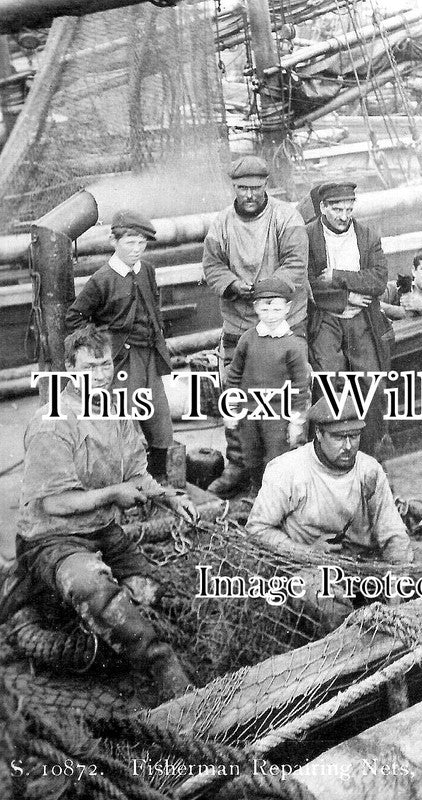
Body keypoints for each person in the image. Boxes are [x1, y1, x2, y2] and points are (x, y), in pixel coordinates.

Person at [6, 326, 198, 701]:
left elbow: (138, 475)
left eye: (105, 364)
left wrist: (169, 498)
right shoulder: (53, 422)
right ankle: (165, 672)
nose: (100, 375)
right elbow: (54, 504)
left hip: (103, 532)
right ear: (68, 368)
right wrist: (114, 493)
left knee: (153, 594)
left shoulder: (117, 411)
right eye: (90, 367)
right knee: (96, 590)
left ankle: (83, 620)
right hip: (51, 539)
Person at [203, 155, 309, 496]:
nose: (249, 194)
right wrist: (233, 285)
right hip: (239, 323)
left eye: (256, 188)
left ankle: (286, 468)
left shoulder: (285, 216)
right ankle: (239, 465)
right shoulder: (221, 223)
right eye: (242, 188)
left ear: (266, 186)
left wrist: (265, 292)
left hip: (283, 322)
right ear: (233, 188)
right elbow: (212, 265)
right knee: (237, 396)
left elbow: (295, 263)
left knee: (288, 397)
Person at [65, 209, 174, 483]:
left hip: (150, 354)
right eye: (129, 243)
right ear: (114, 242)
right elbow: (75, 317)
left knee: (158, 416)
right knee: (125, 418)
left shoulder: (147, 270)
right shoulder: (102, 279)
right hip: (123, 360)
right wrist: (100, 349)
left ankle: (158, 477)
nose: (137, 249)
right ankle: (126, 479)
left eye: (141, 243)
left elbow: (154, 306)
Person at [247, 396, 413, 564]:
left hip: (365, 563)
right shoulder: (287, 470)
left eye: (354, 436)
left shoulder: (370, 470)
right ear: (319, 433)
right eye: (339, 437)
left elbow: (393, 532)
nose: (348, 446)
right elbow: (257, 529)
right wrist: (307, 552)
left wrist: (399, 573)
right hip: (307, 566)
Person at [306, 181, 393, 459]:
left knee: (372, 385)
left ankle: (370, 454)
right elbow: (306, 283)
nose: (344, 216)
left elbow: (378, 280)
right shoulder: (307, 236)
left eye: (348, 208)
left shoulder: (367, 235)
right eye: (337, 209)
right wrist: (345, 299)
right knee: (330, 382)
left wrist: (337, 276)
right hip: (326, 318)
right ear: (322, 207)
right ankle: (330, 454)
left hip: (362, 318)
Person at [224, 276, 310, 496]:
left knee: (276, 458)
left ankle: (276, 497)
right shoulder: (247, 339)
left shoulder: (293, 345)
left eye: (277, 310)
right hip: (249, 411)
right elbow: (233, 375)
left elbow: (301, 386)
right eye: (265, 310)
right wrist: (231, 409)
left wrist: (296, 421)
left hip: (277, 414)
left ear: (288, 308)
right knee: (250, 455)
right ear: (255, 308)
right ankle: (255, 490)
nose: (271, 316)